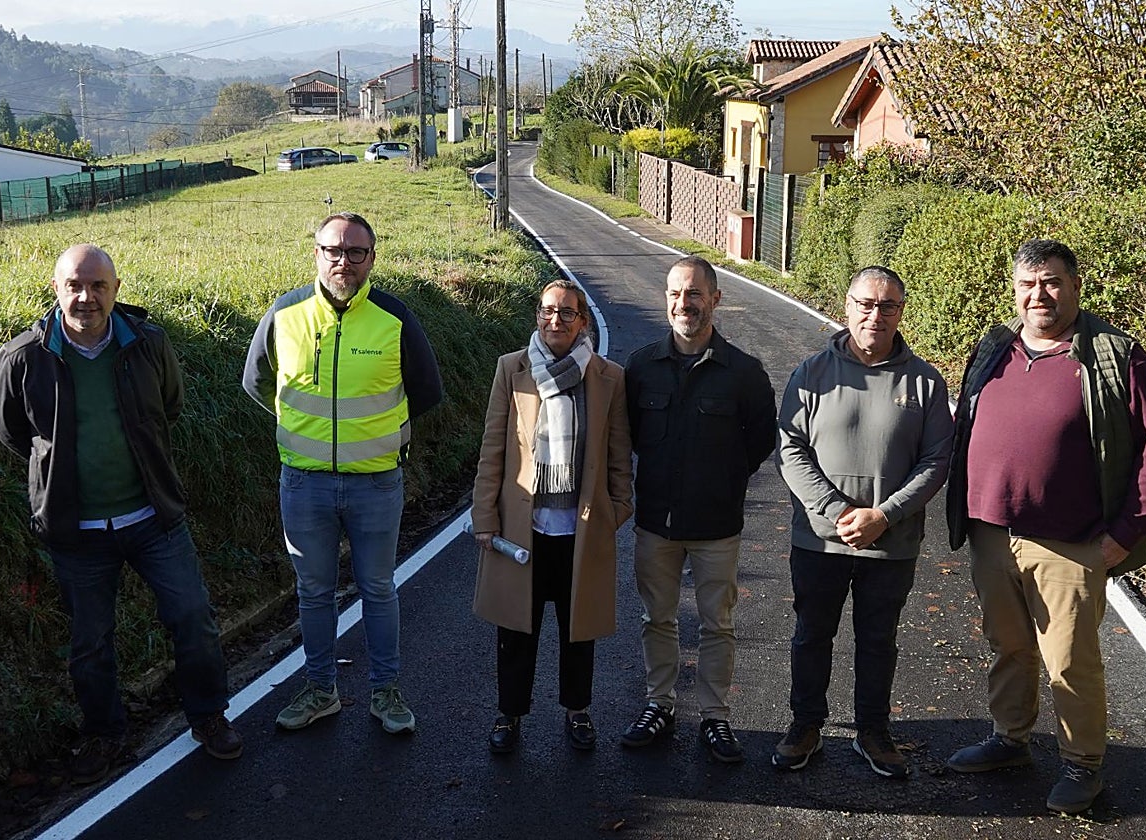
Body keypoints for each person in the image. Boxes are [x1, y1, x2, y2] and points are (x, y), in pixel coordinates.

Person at [0, 244, 242, 785]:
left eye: (98, 286)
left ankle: (208, 716)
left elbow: (168, 407)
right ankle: (105, 735)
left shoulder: (147, 343)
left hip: (153, 518)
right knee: (90, 642)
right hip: (76, 532)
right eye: (75, 286)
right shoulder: (22, 358)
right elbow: (15, 434)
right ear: (56, 290)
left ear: (116, 289)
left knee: (193, 619)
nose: (86, 297)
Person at [945, 239, 1146, 813]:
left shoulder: (1116, 356)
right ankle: (1009, 739)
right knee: (1009, 646)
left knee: (1070, 659)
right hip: (992, 531)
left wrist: (1124, 535)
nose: (1038, 294)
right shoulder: (994, 346)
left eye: (1050, 282)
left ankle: (1083, 765)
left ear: (1074, 285)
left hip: (1072, 543)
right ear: (1014, 289)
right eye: (1027, 283)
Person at [243, 212, 443, 734]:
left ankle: (386, 693)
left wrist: (374, 438)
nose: (343, 261)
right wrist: (302, 431)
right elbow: (258, 382)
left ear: (372, 258)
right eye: (333, 250)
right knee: (312, 593)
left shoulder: (394, 318)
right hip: (303, 482)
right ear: (316, 254)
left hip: (376, 483)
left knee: (377, 588)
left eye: (356, 252)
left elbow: (426, 393)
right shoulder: (284, 314)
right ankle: (320, 691)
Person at [773, 266, 953, 779]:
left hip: (890, 544)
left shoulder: (924, 382)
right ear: (847, 305)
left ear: (900, 312)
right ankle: (805, 723)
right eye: (866, 304)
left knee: (878, 640)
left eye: (888, 306)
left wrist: (885, 514)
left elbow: (937, 460)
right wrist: (837, 512)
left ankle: (873, 731)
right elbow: (790, 449)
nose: (876, 315)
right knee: (812, 634)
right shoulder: (810, 373)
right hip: (819, 541)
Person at [620, 255, 778, 763]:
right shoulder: (641, 367)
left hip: (717, 525)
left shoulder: (745, 373)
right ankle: (659, 704)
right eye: (674, 294)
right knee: (657, 620)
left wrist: (723, 481)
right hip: (656, 524)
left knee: (718, 625)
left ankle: (715, 716)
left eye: (693, 294)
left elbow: (761, 441)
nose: (682, 304)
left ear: (715, 299)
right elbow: (628, 437)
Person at [471, 280, 633, 753]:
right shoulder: (511, 369)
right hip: (522, 527)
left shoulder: (608, 377)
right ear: (537, 317)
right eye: (547, 311)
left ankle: (577, 712)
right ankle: (510, 715)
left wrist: (616, 511)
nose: (555, 320)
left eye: (566, 313)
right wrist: (485, 516)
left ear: (583, 321)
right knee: (515, 629)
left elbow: (619, 456)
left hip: (580, 530)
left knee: (577, 629)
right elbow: (493, 449)